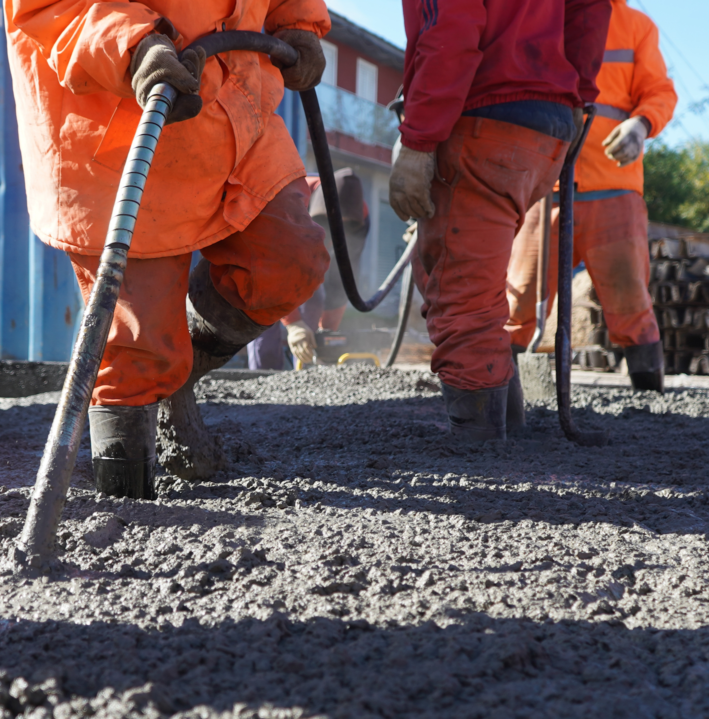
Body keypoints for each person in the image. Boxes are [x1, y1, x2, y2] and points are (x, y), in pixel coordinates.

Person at [5, 1, 331, 494]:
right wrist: (131, 45)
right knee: (138, 353)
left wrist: (298, 23)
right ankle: (124, 505)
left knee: (288, 260)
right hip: (124, 117)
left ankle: (176, 376)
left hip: (237, 104)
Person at [390, 0, 613, 442]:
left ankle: (480, 442)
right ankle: (508, 422)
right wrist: (579, 95)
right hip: (548, 123)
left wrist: (418, 141)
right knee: (477, 280)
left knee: (460, 290)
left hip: (486, 113)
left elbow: (449, 29)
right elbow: (589, 9)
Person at [505, 0, 677, 393]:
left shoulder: (635, 25)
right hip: (542, 186)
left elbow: (659, 92)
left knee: (631, 301)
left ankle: (649, 399)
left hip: (612, 188)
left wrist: (640, 124)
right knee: (516, 301)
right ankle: (501, 395)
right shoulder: (538, 14)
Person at [247, 169, 370, 369]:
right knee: (264, 317)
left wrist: (327, 335)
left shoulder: (360, 215)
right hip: (264, 260)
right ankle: (264, 376)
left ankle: (306, 369)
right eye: (328, 222)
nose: (334, 231)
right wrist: (293, 323)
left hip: (304, 259)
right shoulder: (288, 200)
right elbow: (272, 268)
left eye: (343, 225)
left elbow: (344, 276)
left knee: (314, 297)